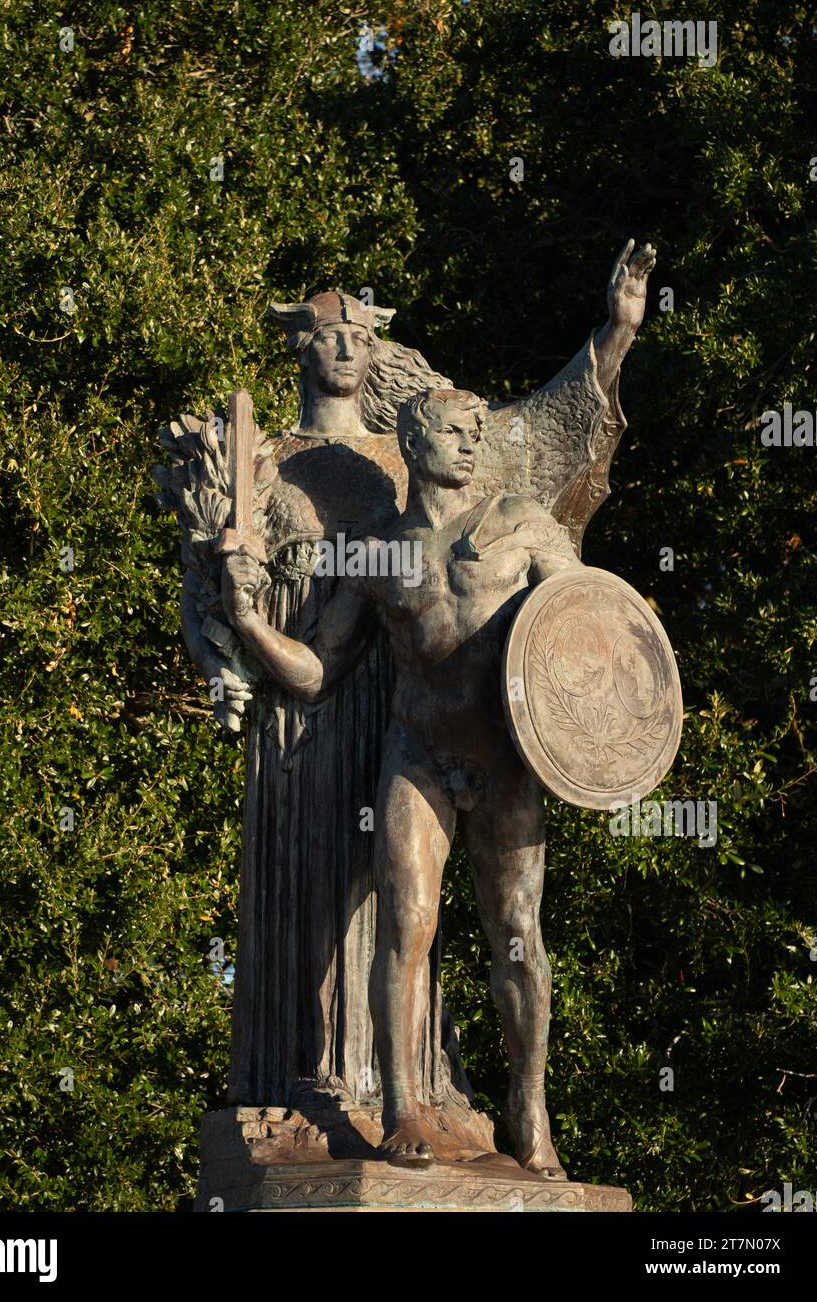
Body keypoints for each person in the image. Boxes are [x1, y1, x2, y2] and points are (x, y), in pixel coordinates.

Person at [220, 385, 579, 1176]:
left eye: (475, 433)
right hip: (416, 754)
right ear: (414, 444)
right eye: (454, 432)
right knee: (406, 925)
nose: (468, 446)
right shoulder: (378, 553)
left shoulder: (521, 524)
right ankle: (404, 1107)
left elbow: (583, 628)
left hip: (508, 759)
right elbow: (319, 674)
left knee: (519, 943)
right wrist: (248, 622)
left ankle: (530, 1106)